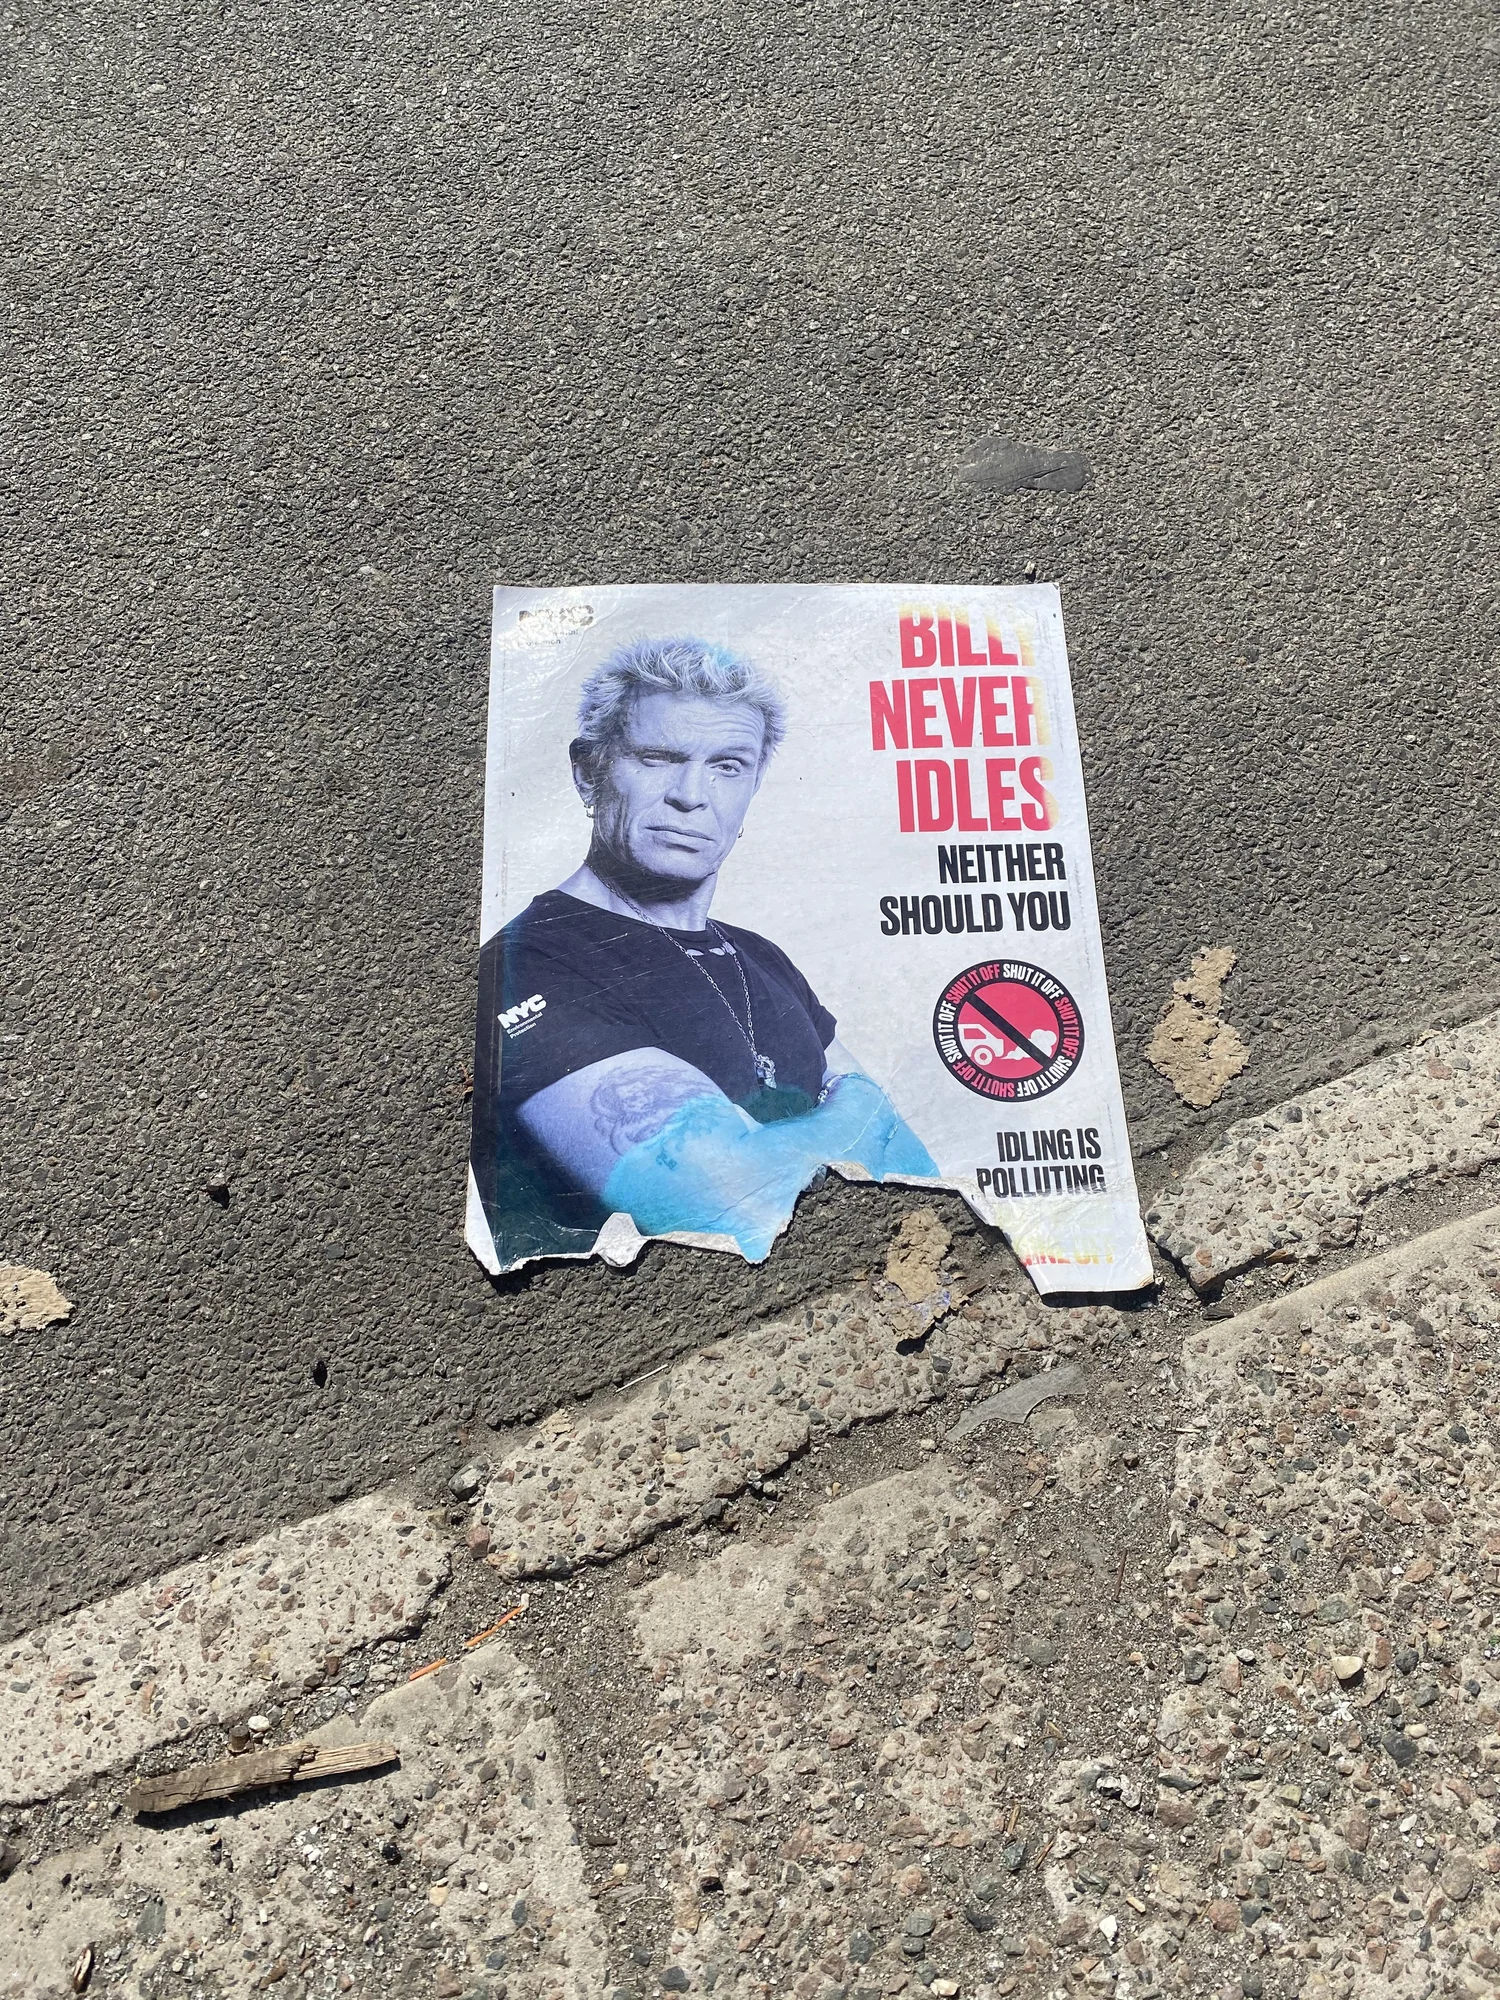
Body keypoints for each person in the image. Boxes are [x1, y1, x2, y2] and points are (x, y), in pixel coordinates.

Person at [471, 635, 936, 1266]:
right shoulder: (526, 964)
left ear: (753, 786)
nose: (691, 794)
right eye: (658, 758)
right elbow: (738, 1208)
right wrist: (860, 1106)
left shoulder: (761, 957)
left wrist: (776, 1149)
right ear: (589, 771)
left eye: (728, 766)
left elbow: (915, 1180)